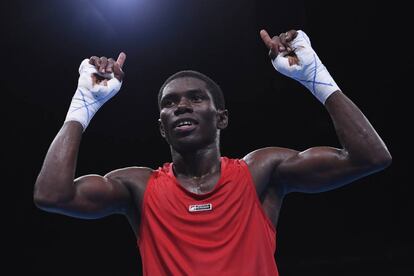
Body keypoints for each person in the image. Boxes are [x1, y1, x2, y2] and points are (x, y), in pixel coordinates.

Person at [34, 29, 391, 275]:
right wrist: (85, 104)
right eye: (170, 103)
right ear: (162, 126)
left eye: (195, 98)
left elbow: (370, 157)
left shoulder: (259, 172)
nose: (182, 106)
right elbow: (51, 195)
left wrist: (314, 75)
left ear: (220, 118)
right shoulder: (139, 187)